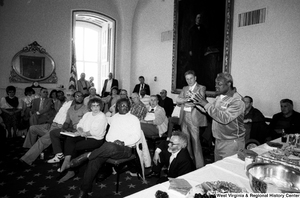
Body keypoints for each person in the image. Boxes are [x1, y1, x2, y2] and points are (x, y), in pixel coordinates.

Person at [67, 98, 142, 197]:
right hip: (108, 148)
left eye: (127, 105)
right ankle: (84, 190)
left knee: (109, 147)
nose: (125, 107)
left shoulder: (133, 119)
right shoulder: (114, 117)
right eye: (122, 105)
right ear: (117, 107)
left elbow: (137, 136)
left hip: (125, 149)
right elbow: (105, 126)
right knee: (94, 160)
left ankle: (88, 155)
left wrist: (123, 142)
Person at [194, 73, 245, 161]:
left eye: (219, 84)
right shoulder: (219, 97)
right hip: (218, 140)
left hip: (232, 143)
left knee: (229, 171)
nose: (216, 86)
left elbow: (224, 118)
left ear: (229, 84)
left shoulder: (237, 100)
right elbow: (212, 112)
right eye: (215, 83)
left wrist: (205, 104)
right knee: (219, 169)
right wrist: (196, 103)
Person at [55, 98, 106, 182]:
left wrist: (84, 133)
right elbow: (80, 124)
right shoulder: (87, 114)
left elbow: (96, 131)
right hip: (84, 135)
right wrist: (81, 131)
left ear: (101, 107)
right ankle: (67, 160)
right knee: (69, 139)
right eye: (93, 106)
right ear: (90, 107)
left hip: (95, 139)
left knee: (74, 146)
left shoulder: (102, 116)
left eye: (97, 106)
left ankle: (71, 170)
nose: (95, 108)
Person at [19, 90, 75, 166]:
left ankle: (27, 159)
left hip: (59, 127)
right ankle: (31, 149)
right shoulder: (65, 102)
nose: (70, 97)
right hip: (52, 124)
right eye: (68, 95)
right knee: (32, 128)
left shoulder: (73, 104)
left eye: (71, 95)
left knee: (42, 140)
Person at [176, 70, 207, 169]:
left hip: (194, 117)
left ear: (195, 78)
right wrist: (186, 100)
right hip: (184, 116)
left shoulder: (201, 88)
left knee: (196, 143)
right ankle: (188, 164)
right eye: (187, 79)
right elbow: (177, 100)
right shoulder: (185, 88)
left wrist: (184, 101)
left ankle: (199, 166)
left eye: (191, 78)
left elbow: (197, 101)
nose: (189, 81)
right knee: (185, 142)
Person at [188, 13, 208, 86]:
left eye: (200, 18)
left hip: (201, 50)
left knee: (201, 66)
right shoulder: (192, 29)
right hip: (194, 50)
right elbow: (190, 40)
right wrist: (190, 50)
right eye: (198, 18)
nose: (199, 19)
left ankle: (201, 80)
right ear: (195, 19)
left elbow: (205, 40)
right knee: (195, 66)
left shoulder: (203, 28)